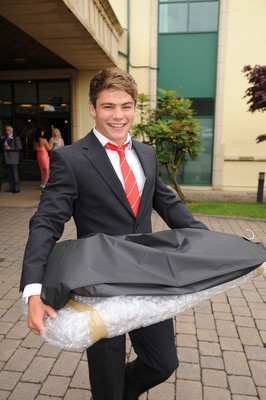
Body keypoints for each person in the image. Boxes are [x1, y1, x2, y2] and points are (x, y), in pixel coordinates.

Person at [21, 68, 208, 400]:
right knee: (106, 377)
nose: (118, 115)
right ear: (93, 108)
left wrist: (210, 242)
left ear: (134, 107)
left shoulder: (147, 154)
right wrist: (33, 290)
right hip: (101, 284)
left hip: (148, 277)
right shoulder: (71, 158)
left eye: (125, 106)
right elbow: (46, 222)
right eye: (108, 106)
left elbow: (167, 203)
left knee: (163, 362)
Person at [2, 125, 22, 193]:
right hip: (7, 159)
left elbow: (19, 147)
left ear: (11, 131)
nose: (6, 131)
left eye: (8, 130)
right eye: (6, 130)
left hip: (13, 159)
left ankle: (17, 188)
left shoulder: (16, 138)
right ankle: (11, 187)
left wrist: (10, 148)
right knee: (10, 175)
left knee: (15, 174)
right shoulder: (5, 138)